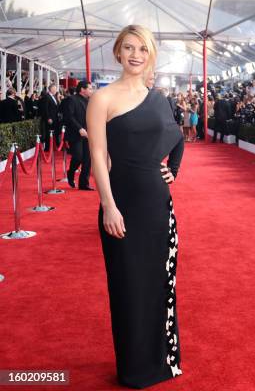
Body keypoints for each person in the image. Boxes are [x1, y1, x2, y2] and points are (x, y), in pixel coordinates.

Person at [87, 24, 185, 388]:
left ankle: (160, 362)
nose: (135, 55)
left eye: (142, 49)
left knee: (157, 284)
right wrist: (108, 205)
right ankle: (134, 368)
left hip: (158, 206)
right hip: (122, 204)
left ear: (150, 55)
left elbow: (177, 136)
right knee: (128, 288)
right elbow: (97, 155)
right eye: (128, 48)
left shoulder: (158, 99)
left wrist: (173, 170)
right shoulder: (103, 98)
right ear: (117, 52)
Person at [64, 80, 94, 190]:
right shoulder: (71, 100)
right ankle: (71, 173)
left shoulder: (90, 101)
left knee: (87, 159)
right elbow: (69, 117)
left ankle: (84, 184)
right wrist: (79, 128)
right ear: (82, 89)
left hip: (88, 134)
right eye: (90, 88)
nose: (92, 90)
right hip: (75, 134)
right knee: (78, 156)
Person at [39, 83, 60, 150]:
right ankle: (47, 147)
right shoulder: (47, 97)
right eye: (55, 89)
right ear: (51, 89)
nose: (56, 90)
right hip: (50, 118)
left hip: (55, 118)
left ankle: (55, 145)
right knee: (48, 133)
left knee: (55, 132)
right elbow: (45, 109)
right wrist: (48, 118)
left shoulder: (54, 97)